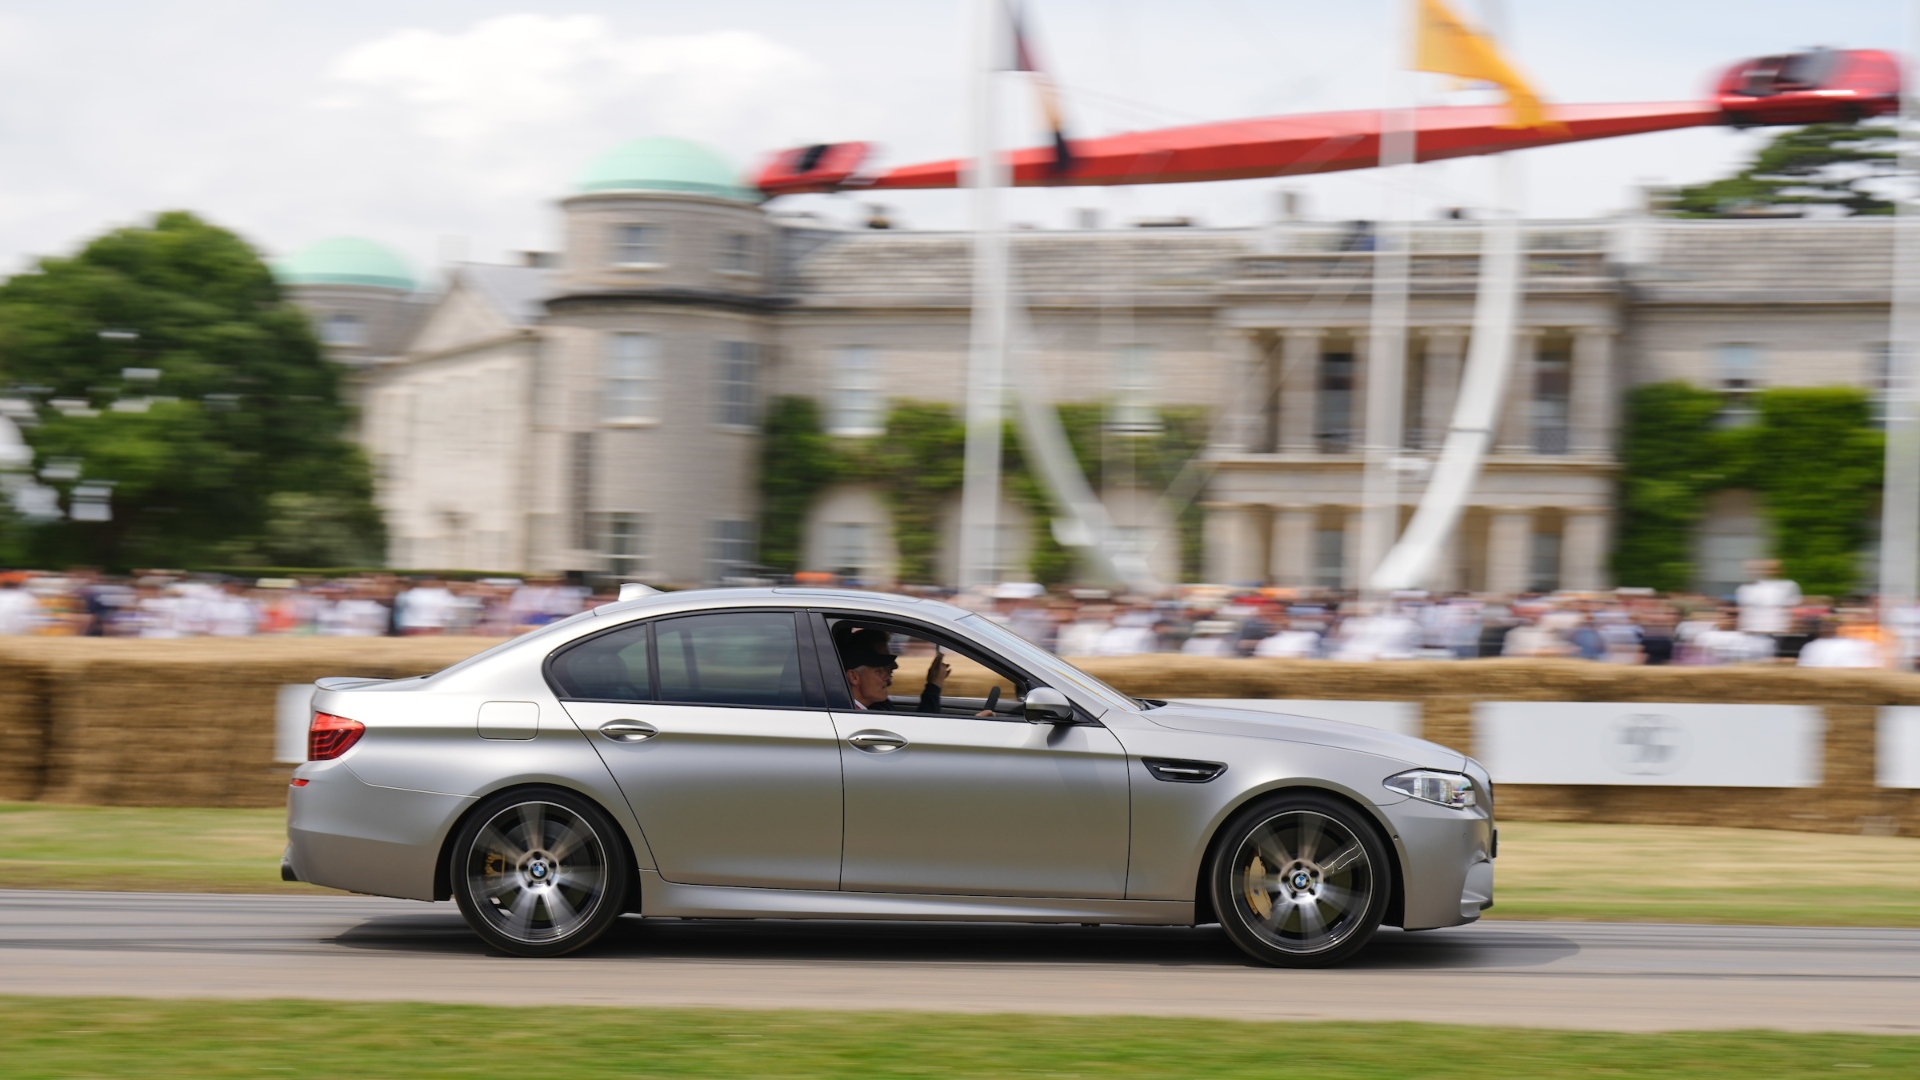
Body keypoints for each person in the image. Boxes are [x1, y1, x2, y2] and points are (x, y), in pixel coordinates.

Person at [837, 626, 947, 712]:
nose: (895, 666)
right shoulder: (859, 718)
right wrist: (933, 686)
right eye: (878, 671)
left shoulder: (875, 705)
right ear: (854, 677)